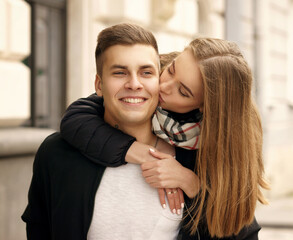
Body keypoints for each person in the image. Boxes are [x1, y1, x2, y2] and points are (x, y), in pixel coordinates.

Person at [60, 37, 269, 238]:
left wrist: (192, 184)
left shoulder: (225, 141)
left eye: (183, 92)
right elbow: (76, 118)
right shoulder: (151, 75)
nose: (163, 86)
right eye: (171, 71)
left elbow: (239, 226)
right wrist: (137, 151)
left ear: (206, 107)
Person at [22, 23, 201, 240]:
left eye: (146, 72)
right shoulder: (56, 154)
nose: (134, 84)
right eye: (119, 72)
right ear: (99, 85)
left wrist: (196, 187)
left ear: (158, 81)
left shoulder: (193, 158)